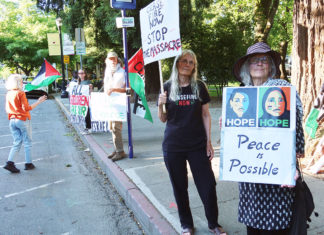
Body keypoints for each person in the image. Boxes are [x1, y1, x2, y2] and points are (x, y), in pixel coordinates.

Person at [232, 42, 304, 235]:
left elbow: (296, 118)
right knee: (253, 224)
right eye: (255, 60)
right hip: (250, 175)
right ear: (247, 66)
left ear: (271, 66)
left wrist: (293, 164)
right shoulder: (243, 94)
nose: (260, 63)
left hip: (277, 174)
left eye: (265, 60)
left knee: (277, 226)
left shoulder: (282, 87)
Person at [158, 49, 226, 235]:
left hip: (197, 145)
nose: (187, 64)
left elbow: (206, 115)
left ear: (194, 66)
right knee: (180, 187)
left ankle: (213, 223)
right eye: (184, 61)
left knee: (208, 185)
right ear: (177, 63)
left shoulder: (199, 87)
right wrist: (160, 103)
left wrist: (209, 142)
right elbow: (163, 119)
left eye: (191, 62)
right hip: (173, 146)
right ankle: (186, 225)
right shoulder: (167, 86)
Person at [3, 74, 47, 173]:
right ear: (18, 83)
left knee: (17, 142)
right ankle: (28, 163)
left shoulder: (9, 93)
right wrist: (39, 101)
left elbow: (7, 109)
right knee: (27, 142)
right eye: (21, 81)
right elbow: (27, 108)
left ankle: (10, 163)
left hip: (12, 120)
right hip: (22, 120)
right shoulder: (20, 93)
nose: (23, 83)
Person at [104, 51, 127, 162]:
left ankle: (120, 151)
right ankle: (116, 149)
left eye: (114, 58)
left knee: (116, 128)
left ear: (117, 60)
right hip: (109, 103)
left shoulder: (123, 72)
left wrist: (114, 89)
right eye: (110, 59)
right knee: (110, 128)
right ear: (107, 60)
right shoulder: (107, 72)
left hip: (119, 103)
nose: (112, 61)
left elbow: (128, 89)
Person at [78, 69, 93, 135]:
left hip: (86, 100)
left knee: (87, 114)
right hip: (81, 101)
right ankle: (86, 127)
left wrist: (90, 88)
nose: (80, 74)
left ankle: (89, 128)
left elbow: (90, 90)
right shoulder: (78, 82)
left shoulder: (87, 82)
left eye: (82, 73)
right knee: (84, 114)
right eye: (79, 73)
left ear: (85, 74)